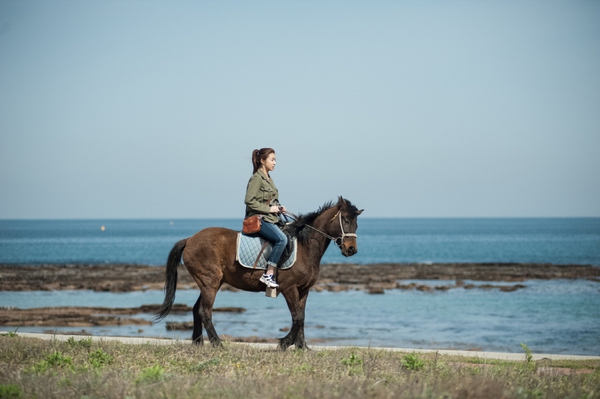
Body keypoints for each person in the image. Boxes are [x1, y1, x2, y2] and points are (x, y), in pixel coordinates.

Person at [244, 148, 288, 289]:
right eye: (272, 160)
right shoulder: (257, 178)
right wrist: (269, 209)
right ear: (262, 161)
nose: (275, 163)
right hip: (258, 218)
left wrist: (279, 208)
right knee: (282, 239)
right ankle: (268, 273)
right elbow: (249, 200)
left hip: (271, 218)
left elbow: (271, 200)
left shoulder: (269, 178)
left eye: (275, 160)